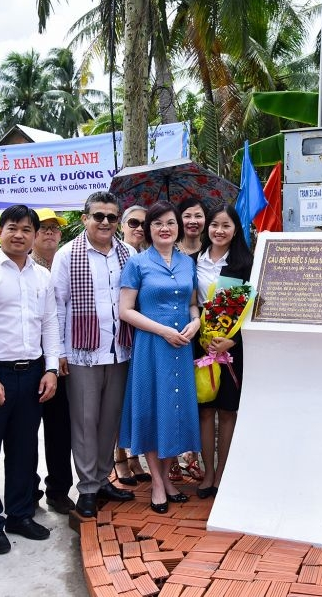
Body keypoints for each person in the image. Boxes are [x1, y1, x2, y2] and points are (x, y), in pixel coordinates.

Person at [0, 205, 61, 555]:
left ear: (35, 235)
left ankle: (20, 514)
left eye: (26, 229)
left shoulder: (43, 277)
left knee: (24, 450)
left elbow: (50, 323)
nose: (19, 234)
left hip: (31, 373)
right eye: (12, 228)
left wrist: (50, 369)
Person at [51, 193, 136, 520]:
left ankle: (102, 480)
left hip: (119, 350)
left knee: (108, 421)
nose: (104, 222)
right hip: (82, 353)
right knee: (85, 422)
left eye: (111, 217)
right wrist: (58, 351)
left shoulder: (127, 253)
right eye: (98, 216)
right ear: (85, 218)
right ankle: (87, 488)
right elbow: (57, 307)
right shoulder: (67, 255)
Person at [118, 201, 202, 513]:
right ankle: (156, 481)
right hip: (152, 347)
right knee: (153, 409)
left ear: (178, 226)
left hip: (182, 346)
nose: (164, 228)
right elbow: (125, 311)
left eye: (169, 222)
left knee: (174, 410)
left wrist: (195, 321)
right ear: (149, 230)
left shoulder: (186, 263)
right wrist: (163, 330)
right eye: (157, 224)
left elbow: (193, 303)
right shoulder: (137, 263)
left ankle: (167, 478)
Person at [191, 204, 254, 499]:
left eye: (226, 225)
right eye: (214, 224)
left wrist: (234, 340)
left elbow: (256, 308)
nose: (219, 230)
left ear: (236, 229)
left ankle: (224, 474)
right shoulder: (192, 262)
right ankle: (208, 474)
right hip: (199, 342)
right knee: (205, 410)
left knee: (228, 411)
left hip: (231, 344)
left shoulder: (245, 264)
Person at [29, 208, 75, 515]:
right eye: (43, 228)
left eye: (54, 229)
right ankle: (27, 490)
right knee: (25, 432)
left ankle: (59, 490)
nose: (49, 233)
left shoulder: (66, 263)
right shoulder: (21, 267)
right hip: (30, 361)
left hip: (62, 362)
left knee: (60, 430)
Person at [112, 204, 151, 487]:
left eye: (144, 224)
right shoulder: (114, 254)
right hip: (117, 339)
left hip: (144, 338)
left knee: (135, 400)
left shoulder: (151, 256)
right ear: (122, 225)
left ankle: (136, 457)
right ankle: (119, 458)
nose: (139, 228)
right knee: (117, 402)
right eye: (133, 223)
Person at [172, 197, 207, 483]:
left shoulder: (213, 252)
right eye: (187, 215)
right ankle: (172, 458)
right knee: (175, 394)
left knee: (198, 395)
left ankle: (192, 456)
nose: (193, 221)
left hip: (208, 333)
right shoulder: (168, 252)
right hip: (174, 333)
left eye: (198, 215)